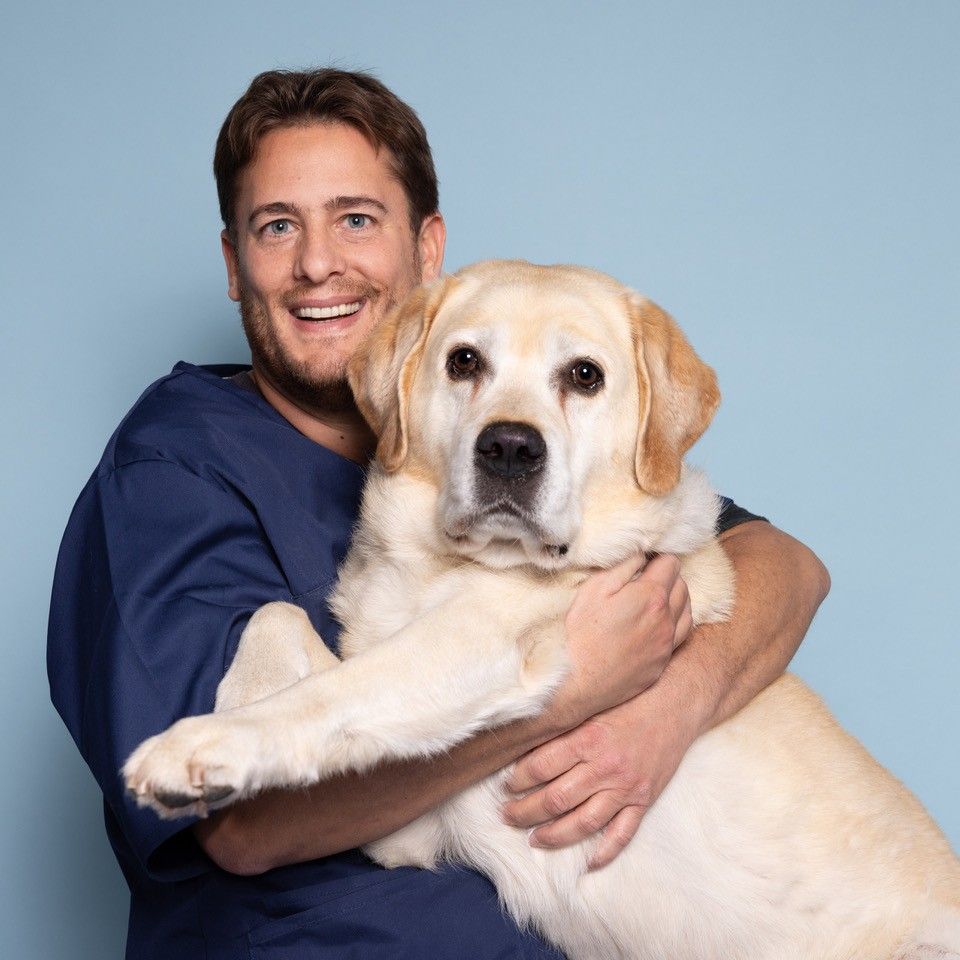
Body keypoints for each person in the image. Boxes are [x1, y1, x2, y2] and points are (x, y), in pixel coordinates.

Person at [47, 68, 829, 959]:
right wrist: (570, 690)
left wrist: (673, 703)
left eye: (356, 219)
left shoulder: (500, 424)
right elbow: (243, 826)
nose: (317, 263)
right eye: (277, 226)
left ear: (428, 249)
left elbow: (785, 566)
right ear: (234, 265)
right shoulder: (175, 468)